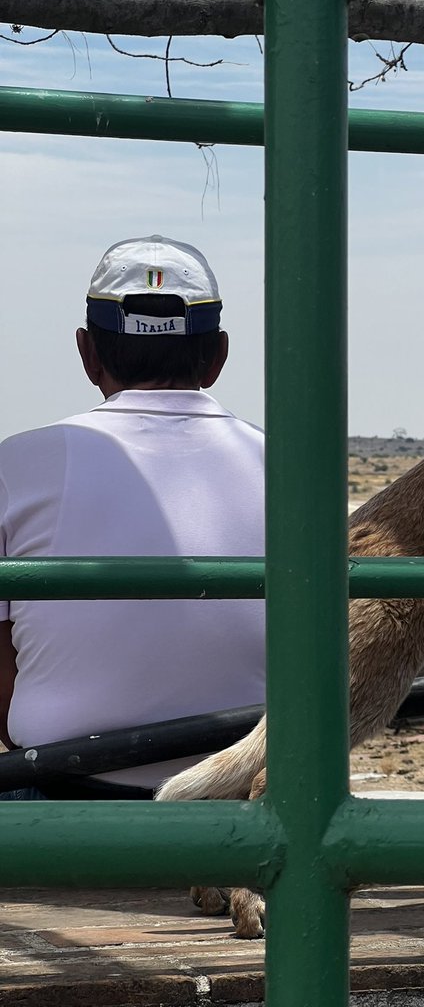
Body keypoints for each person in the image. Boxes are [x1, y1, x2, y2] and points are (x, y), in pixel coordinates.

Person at [0, 236, 265, 800]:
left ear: (87, 353)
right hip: (244, 794)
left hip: (60, 789)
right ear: (217, 355)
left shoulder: (15, 464)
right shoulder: (292, 469)